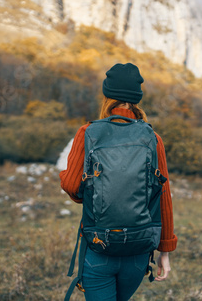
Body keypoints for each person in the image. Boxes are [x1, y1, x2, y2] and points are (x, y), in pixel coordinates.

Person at [60, 63, 177, 301]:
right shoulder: (152, 138)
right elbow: (162, 195)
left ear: (107, 96)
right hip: (139, 249)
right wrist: (165, 249)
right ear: (137, 100)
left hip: (98, 246)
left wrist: (85, 188)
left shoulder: (88, 132)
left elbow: (73, 187)